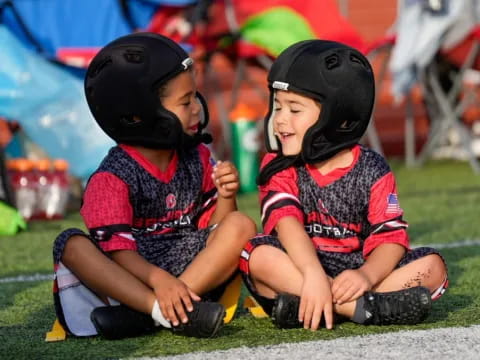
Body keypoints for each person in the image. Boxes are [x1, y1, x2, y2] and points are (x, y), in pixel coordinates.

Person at [51, 32, 257, 340]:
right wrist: (159, 281)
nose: (198, 109)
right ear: (138, 115)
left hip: (190, 269)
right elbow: (120, 253)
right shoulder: (113, 177)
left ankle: (155, 315)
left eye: (194, 97)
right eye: (185, 102)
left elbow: (217, 228)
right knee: (70, 244)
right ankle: (158, 309)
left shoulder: (197, 156)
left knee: (241, 223)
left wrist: (226, 196)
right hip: (132, 274)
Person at [239, 39, 448, 331]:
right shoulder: (279, 164)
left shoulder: (372, 169)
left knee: (433, 267)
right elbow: (286, 224)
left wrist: (365, 276)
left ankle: (303, 306)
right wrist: (313, 274)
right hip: (301, 268)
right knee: (256, 254)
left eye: (294, 110)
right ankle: (363, 309)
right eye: (278, 107)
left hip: (356, 273)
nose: (279, 121)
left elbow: (390, 238)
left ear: (340, 115)